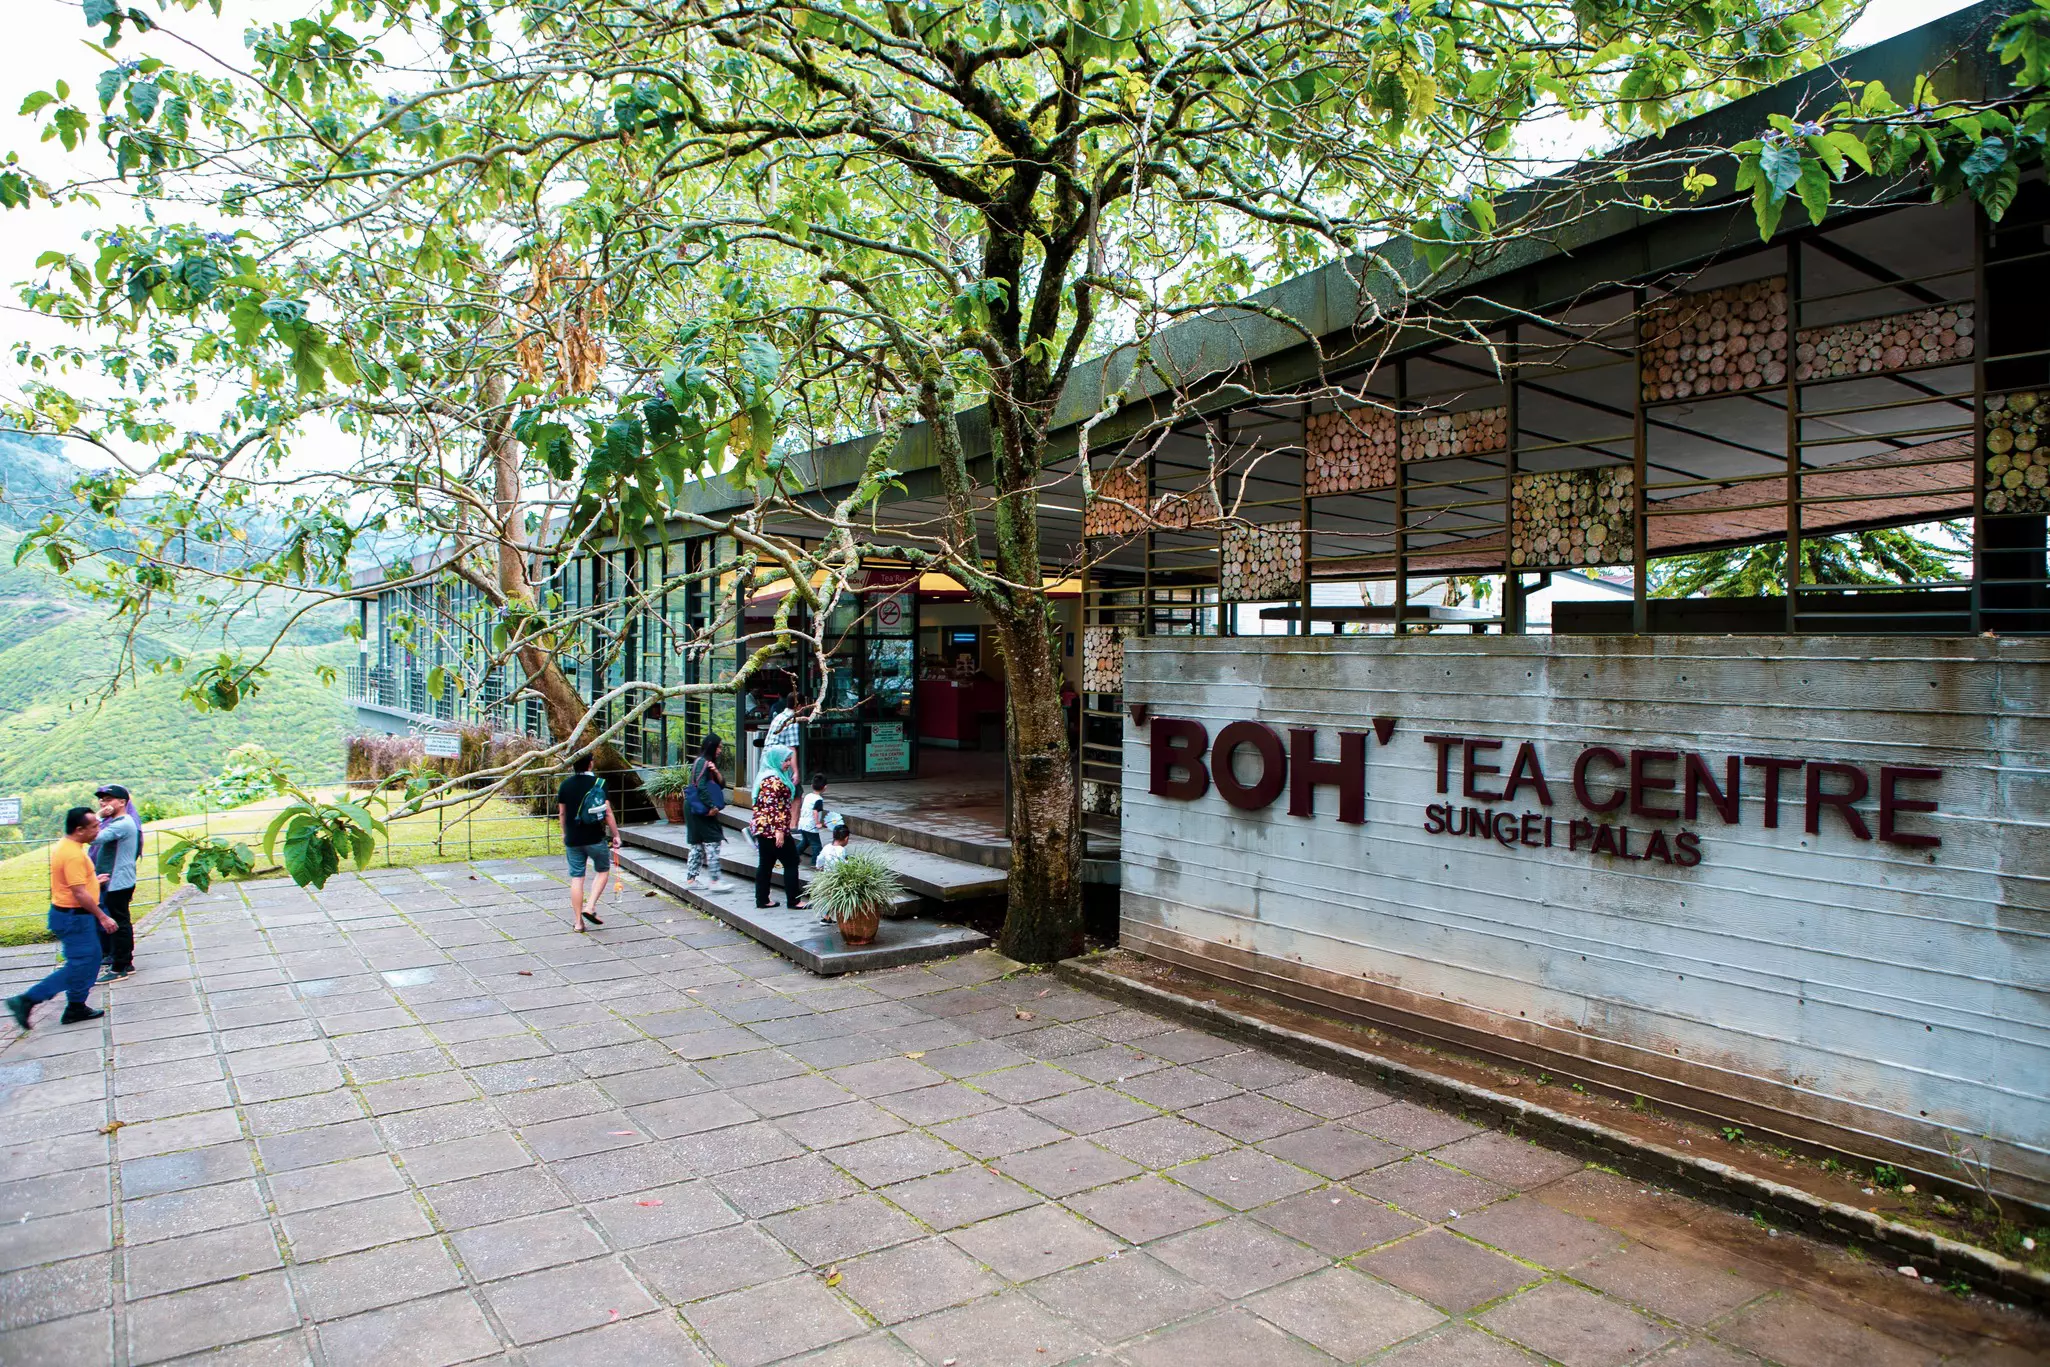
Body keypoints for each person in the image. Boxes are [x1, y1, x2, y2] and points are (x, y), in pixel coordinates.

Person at [6, 807, 118, 1030]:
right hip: (74, 917)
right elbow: (78, 892)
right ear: (79, 830)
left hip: (72, 915)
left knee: (91, 959)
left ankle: (76, 1006)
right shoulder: (73, 854)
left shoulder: (68, 844)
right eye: (94, 827)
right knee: (79, 966)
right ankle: (27, 1000)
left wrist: (94, 881)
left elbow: (75, 883)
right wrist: (103, 916)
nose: (98, 830)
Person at [555, 754, 620, 931]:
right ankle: (590, 906)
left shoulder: (565, 785)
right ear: (590, 764)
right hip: (594, 837)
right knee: (603, 871)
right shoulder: (599, 784)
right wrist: (616, 835)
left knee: (577, 878)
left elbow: (561, 813)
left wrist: (564, 833)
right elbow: (607, 813)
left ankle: (578, 923)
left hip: (573, 839)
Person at [91, 784, 142, 982]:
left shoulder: (121, 823)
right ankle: (125, 962)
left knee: (119, 924)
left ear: (122, 802)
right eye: (102, 799)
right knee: (121, 921)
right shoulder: (120, 821)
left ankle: (120, 966)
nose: (104, 803)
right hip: (119, 880)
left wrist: (97, 815)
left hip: (117, 882)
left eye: (109, 799)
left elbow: (93, 838)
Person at [750, 743, 808, 911]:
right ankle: (794, 900)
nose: (788, 763)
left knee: (766, 864)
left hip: (764, 830)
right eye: (786, 760)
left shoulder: (767, 775)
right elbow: (772, 807)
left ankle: (762, 899)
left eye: (789, 760)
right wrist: (779, 831)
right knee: (791, 862)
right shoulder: (773, 780)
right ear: (776, 760)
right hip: (774, 830)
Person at [684, 734, 730, 892]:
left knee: (697, 844)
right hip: (701, 808)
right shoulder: (702, 762)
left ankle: (692, 879)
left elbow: (720, 784)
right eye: (719, 747)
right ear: (711, 746)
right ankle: (715, 880)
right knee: (713, 840)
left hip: (695, 807)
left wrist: (715, 771)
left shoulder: (705, 763)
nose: (720, 750)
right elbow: (701, 787)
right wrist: (711, 806)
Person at [796, 774, 830, 865]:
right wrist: (818, 823)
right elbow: (815, 811)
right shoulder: (819, 799)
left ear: (811, 786)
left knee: (805, 842)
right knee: (817, 846)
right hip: (811, 825)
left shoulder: (808, 796)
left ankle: (793, 857)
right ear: (825, 787)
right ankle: (815, 864)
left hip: (802, 823)